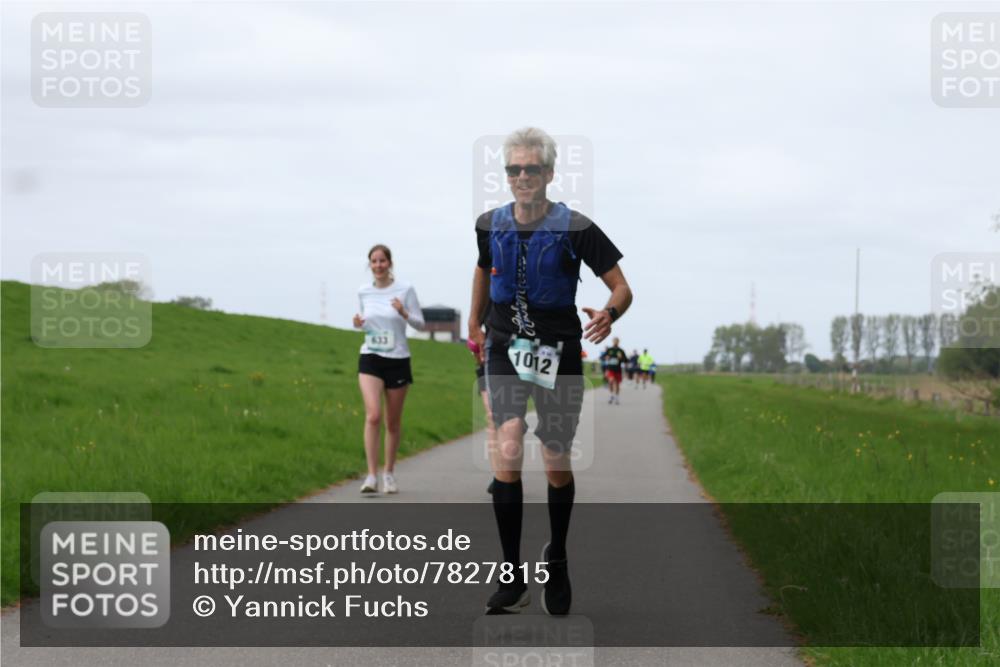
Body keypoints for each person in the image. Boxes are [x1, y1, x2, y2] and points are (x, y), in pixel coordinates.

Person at [468, 127, 632, 616]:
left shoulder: (576, 228)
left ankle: (556, 556)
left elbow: (622, 286)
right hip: (504, 347)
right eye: (513, 169)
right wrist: (474, 323)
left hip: (557, 353)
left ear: (549, 173)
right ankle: (511, 574)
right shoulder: (489, 224)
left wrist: (610, 312)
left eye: (531, 169)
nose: (522, 177)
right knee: (508, 443)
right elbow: (482, 268)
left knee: (556, 460)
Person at [353, 244, 425, 494]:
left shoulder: (405, 289)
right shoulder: (364, 292)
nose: (378, 265)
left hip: (398, 359)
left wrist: (403, 312)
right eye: (374, 261)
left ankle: (389, 473)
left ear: (390, 263)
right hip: (371, 357)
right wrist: (358, 323)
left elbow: (421, 324)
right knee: (373, 415)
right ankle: (371, 476)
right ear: (369, 265)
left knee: (392, 422)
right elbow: (367, 324)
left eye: (382, 261)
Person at [603, 338, 627, 405]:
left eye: (617, 341)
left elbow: (626, 360)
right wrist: (606, 357)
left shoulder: (621, 350)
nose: (615, 342)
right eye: (614, 341)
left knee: (617, 384)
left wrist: (621, 358)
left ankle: (617, 397)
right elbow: (603, 357)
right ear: (612, 341)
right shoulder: (609, 349)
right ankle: (611, 396)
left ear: (618, 342)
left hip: (618, 369)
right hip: (610, 369)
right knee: (611, 381)